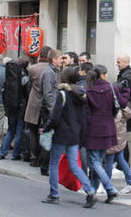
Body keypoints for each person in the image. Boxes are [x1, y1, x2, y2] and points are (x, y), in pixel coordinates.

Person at [40, 67, 97, 208]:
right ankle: (89, 190)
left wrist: (46, 128)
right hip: (75, 133)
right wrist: (82, 135)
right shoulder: (81, 95)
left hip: (61, 134)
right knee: (74, 165)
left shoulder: (62, 94)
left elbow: (55, 116)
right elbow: (84, 118)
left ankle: (54, 194)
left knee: (53, 164)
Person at [85, 65, 129, 203]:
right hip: (109, 128)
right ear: (103, 75)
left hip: (93, 129)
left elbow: (86, 112)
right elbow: (122, 103)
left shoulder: (88, 90)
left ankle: (108, 189)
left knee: (94, 162)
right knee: (98, 162)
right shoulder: (112, 88)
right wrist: (127, 91)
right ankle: (92, 192)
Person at [24, 46, 52, 167]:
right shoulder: (53, 70)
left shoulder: (33, 68)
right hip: (48, 103)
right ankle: (44, 158)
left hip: (34, 102)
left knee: (33, 132)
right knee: (46, 131)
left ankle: (34, 157)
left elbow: (28, 84)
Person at [37, 49, 64, 175]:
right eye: (60, 58)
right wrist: (53, 111)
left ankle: (47, 164)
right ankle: (45, 165)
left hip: (50, 109)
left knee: (50, 137)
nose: (61, 61)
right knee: (48, 138)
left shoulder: (54, 71)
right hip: (49, 110)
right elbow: (48, 94)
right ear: (53, 59)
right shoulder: (49, 73)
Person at [0, 57, 31, 160]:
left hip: (10, 107)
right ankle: (15, 154)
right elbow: (27, 93)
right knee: (19, 131)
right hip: (21, 107)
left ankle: (3, 153)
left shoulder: (9, 76)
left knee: (10, 130)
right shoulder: (23, 77)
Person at [104, 98, 131, 194]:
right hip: (121, 138)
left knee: (109, 161)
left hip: (114, 139)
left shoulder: (113, 108)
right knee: (121, 159)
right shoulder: (123, 107)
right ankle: (130, 183)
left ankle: (107, 185)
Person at [115, 54, 131, 163]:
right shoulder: (125, 75)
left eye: (119, 62)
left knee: (122, 139)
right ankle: (122, 163)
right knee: (122, 138)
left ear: (126, 63)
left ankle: (122, 163)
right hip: (125, 111)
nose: (117, 64)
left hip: (124, 111)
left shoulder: (126, 77)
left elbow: (122, 95)